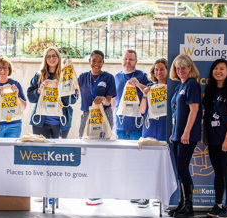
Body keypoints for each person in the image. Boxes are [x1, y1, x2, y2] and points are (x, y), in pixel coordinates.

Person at [202, 59, 227, 218]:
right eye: (216, 69)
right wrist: (206, 136)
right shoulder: (210, 90)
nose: (218, 71)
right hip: (213, 139)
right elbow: (207, 115)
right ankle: (218, 205)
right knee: (218, 173)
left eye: (222, 69)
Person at [77, 50, 117, 206]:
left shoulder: (108, 78)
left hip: (103, 117)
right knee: (86, 152)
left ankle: (100, 191)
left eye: (100, 61)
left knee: (102, 153)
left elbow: (109, 101)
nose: (97, 64)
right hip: (87, 116)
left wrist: (103, 100)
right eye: (94, 60)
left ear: (103, 62)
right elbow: (69, 87)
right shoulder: (82, 78)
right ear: (89, 61)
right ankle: (89, 188)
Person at [168, 54, 202, 218]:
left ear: (190, 68)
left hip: (187, 135)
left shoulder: (192, 85)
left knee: (183, 168)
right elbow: (177, 112)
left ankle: (189, 207)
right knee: (179, 170)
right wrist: (174, 133)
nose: (180, 70)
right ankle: (181, 204)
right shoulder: (178, 86)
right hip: (177, 135)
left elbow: (194, 110)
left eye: (184, 67)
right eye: (177, 68)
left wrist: (186, 132)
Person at [27, 47, 77, 139]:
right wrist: (39, 91)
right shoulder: (39, 75)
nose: (51, 59)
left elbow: (73, 100)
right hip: (41, 122)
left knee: (59, 151)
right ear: (45, 59)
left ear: (58, 57)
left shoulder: (66, 75)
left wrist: (62, 90)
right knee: (41, 151)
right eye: (48, 56)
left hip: (61, 122)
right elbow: (30, 98)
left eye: (54, 56)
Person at [138, 58, 168, 208]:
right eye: (156, 69)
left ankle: (159, 195)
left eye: (161, 69)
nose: (158, 72)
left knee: (162, 164)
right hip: (150, 128)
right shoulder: (149, 87)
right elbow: (142, 110)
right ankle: (145, 196)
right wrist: (145, 95)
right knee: (147, 164)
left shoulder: (172, 88)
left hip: (164, 128)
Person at [0, 56, 27, 138]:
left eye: (5, 68)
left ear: (9, 70)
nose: (2, 71)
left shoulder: (16, 84)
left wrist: (16, 95)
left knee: (11, 150)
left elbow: (23, 107)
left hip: (14, 125)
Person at [114, 50, 152, 140]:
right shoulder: (117, 77)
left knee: (136, 154)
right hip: (120, 125)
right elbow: (114, 99)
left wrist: (138, 84)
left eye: (131, 59)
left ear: (136, 61)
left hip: (137, 125)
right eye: (125, 59)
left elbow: (150, 92)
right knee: (121, 154)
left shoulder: (143, 76)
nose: (127, 62)